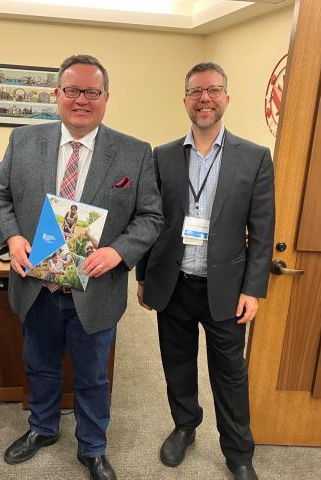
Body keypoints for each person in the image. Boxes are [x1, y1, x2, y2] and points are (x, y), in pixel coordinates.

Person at [0, 54, 163, 480]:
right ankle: (42, 429)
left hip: (95, 290)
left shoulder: (135, 153)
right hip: (37, 286)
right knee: (40, 365)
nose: (81, 99)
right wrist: (12, 237)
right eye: (72, 90)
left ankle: (93, 448)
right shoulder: (24, 142)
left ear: (105, 98)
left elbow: (151, 217)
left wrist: (119, 251)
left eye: (92, 92)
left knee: (92, 377)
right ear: (57, 95)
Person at [136, 62, 275, 480]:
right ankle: (184, 425)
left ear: (226, 99)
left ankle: (239, 452)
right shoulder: (160, 156)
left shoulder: (253, 158)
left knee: (230, 374)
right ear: (185, 101)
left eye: (213, 90)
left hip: (226, 289)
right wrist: (143, 275)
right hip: (173, 282)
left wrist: (253, 288)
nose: (204, 99)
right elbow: (150, 221)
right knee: (176, 363)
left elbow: (263, 229)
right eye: (196, 92)